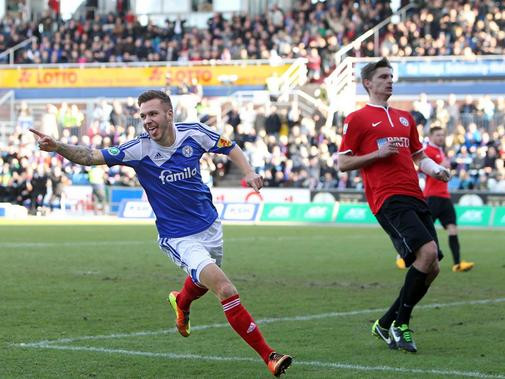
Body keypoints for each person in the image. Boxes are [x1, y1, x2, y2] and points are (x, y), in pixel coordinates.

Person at [30, 90, 292, 377]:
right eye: (143, 116)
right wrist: (58, 146)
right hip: (177, 236)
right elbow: (91, 156)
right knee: (225, 289)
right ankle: (269, 356)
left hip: (210, 226)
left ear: (169, 114)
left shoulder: (194, 134)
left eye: (153, 114)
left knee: (202, 281)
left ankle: (181, 301)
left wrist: (249, 172)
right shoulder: (138, 150)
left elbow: (229, 146)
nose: (147, 121)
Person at [337, 58, 450, 353]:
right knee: (426, 254)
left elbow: (418, 156)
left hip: (415, 194)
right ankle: (402, 325)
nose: (390, 81)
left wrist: (436, 170)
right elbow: (342, 162)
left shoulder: (405, 118)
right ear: (368, 83)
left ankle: (386, 323)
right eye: (384, 76)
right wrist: (376, 154)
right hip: (387, 197)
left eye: (391, 76)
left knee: (433, 265)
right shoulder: (357, 118)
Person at [419, 126, 474, 272]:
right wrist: (439, 166)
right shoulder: (428, 151)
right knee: (422, 229)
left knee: (453, 228)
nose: (441, 137)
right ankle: (402, 257)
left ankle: (457, 264)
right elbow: (420, 167)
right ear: (430, 137)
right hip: (432, 197)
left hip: (444, 196)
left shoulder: (440, 151)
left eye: (442, 135)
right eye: (437, 135)